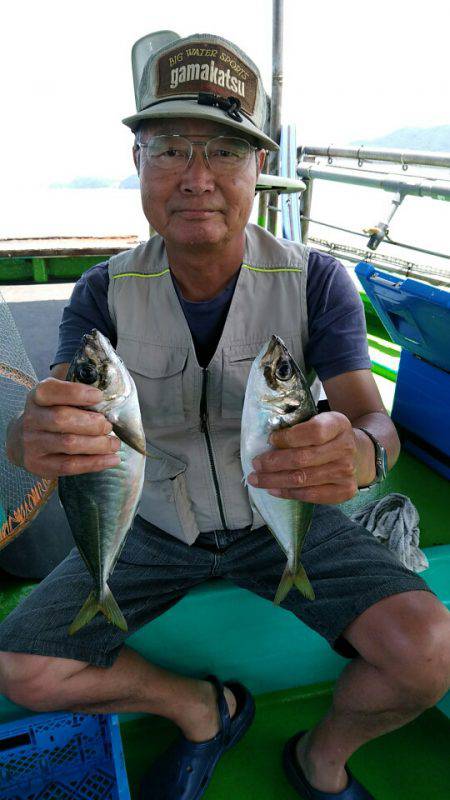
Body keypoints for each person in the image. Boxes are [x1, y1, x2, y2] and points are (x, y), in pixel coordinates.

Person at [1, 31, 449, 800]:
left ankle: (321, 759)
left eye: (225, 152)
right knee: (23, 666)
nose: (197, 177)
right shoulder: (101, 293)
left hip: (285, 511)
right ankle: (203, 708)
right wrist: (30, 436)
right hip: (147, 521)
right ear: (137, 164)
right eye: (171, 148)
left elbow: (373, 422)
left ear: (258, 169)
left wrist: (363, 455)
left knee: (429, 650)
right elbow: (62, 409)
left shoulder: (318, 283)